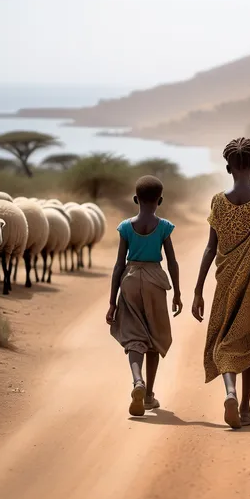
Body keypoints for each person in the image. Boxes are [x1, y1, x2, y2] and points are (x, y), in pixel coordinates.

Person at [192, 137, 250, 429]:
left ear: (228, 167)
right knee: (247, 339)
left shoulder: (218, 201)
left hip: (226, 276)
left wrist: (197, 290)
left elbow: (210, 248)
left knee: (224, 338)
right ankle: (244, 408)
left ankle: (229, 391)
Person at [106, 175, 182, 417]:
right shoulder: (164, 227)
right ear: (159, 200)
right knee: (154, 338)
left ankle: (137, 381)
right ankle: (148, 395)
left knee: (134, 337)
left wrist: (111, 302)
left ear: (135, 199)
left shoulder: (126, 227)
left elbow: (118, 265)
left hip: (129, 279)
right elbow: (172, 261)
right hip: (154, 281)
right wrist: (177, 293)